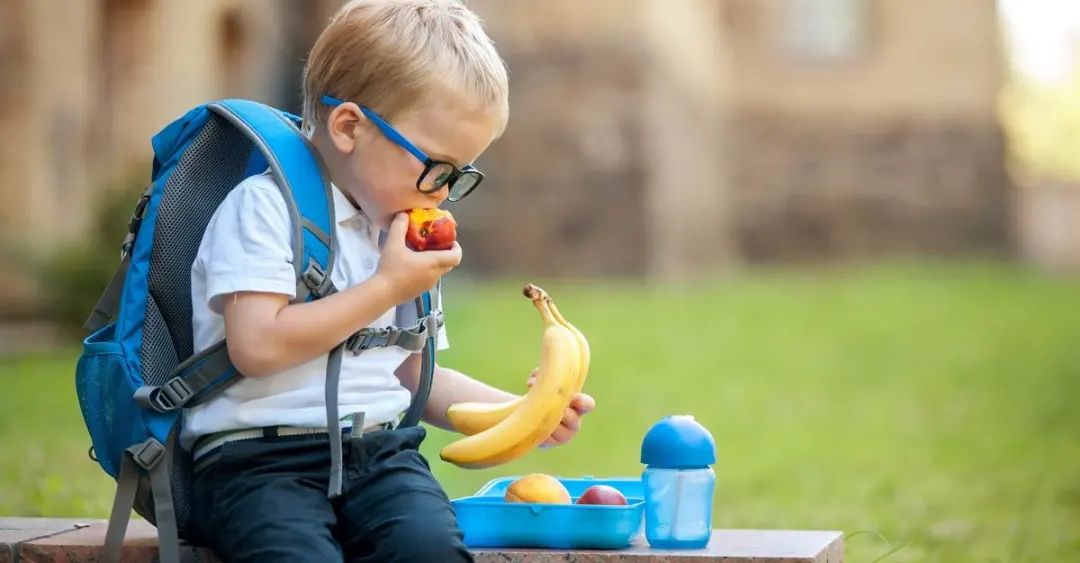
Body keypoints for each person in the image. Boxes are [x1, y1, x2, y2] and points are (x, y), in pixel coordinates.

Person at [180, 1, 595, 561]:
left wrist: (524, 414)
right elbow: (255, 345)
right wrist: (385, 288)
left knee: (431, 549)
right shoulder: (265, 208)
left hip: (378, 455)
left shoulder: (400, 235)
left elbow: (410, 372)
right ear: (349, 127)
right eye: (436, 167)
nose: (443, 192)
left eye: (460, 174)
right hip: (257, 460)